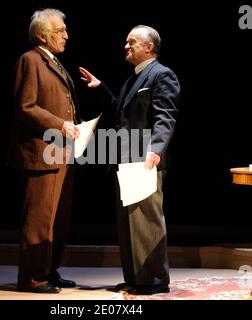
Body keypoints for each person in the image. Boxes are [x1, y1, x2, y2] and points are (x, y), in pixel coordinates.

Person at [79, 25, 180, 295]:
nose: (126, 46)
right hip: (125, 158)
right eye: (126, 42)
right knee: (129, 225)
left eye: (131, 42)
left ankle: (155, 280)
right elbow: (119, 111)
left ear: (149, 47)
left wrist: (156, 148)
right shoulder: (133, 78)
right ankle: (137, 278)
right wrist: (101, 88)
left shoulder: (161, 75)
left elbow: (165, 116)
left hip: (145, 158)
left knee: (146, 222)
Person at [7, 8, 81, 294]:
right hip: (41, 153)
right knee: (39, 220)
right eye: (60, 30)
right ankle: (32, 278)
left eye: (64, 30)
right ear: (42, 35)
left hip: (61, 153)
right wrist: (60, 124)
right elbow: (25, 106)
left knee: (58, 218)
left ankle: (50, 271)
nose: (66, 35)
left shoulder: (55, 62)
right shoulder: (30, 60)